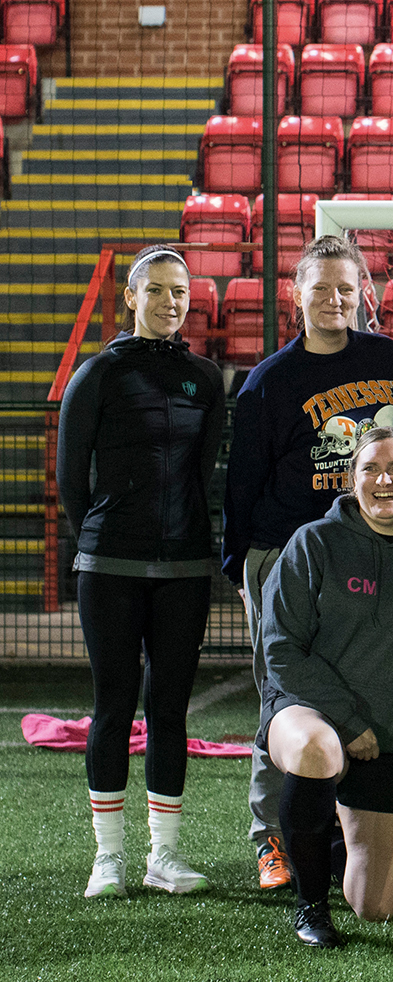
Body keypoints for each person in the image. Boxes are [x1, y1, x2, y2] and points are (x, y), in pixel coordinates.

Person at [223, 235, 393, 891]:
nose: (335, 300)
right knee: (286, 698)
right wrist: (243, 572)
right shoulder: (269, 382)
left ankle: (334, 830)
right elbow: (240, 486)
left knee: (357, 692)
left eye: (346, 288)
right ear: (294, 294)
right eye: (321, 287)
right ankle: (270, 838)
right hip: (283, 557)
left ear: (363, 292)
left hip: (362, 552)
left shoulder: (386, 358)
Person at [57, 244, 225, 900]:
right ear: (130, 298)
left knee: (170, 709)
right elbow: (73, 480)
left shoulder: (206, 379)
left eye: (179, 291)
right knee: (112, 704)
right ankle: (109, 859)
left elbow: (202, 470)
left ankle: (164, 857)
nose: (169, 302)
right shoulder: (95, 375)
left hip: (183, 567)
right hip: (110, 565)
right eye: (155, 290)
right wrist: (106, 536)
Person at [259, 427, 393, 946]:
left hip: (392, 735)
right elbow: (281, 647)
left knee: (376, 907)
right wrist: (347, 722)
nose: (383, 480)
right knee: (315, 749)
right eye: (370, 468)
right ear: (351, 480)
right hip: (311, 712)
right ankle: (310, 905)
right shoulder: (313, 542)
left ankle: (328, 830)